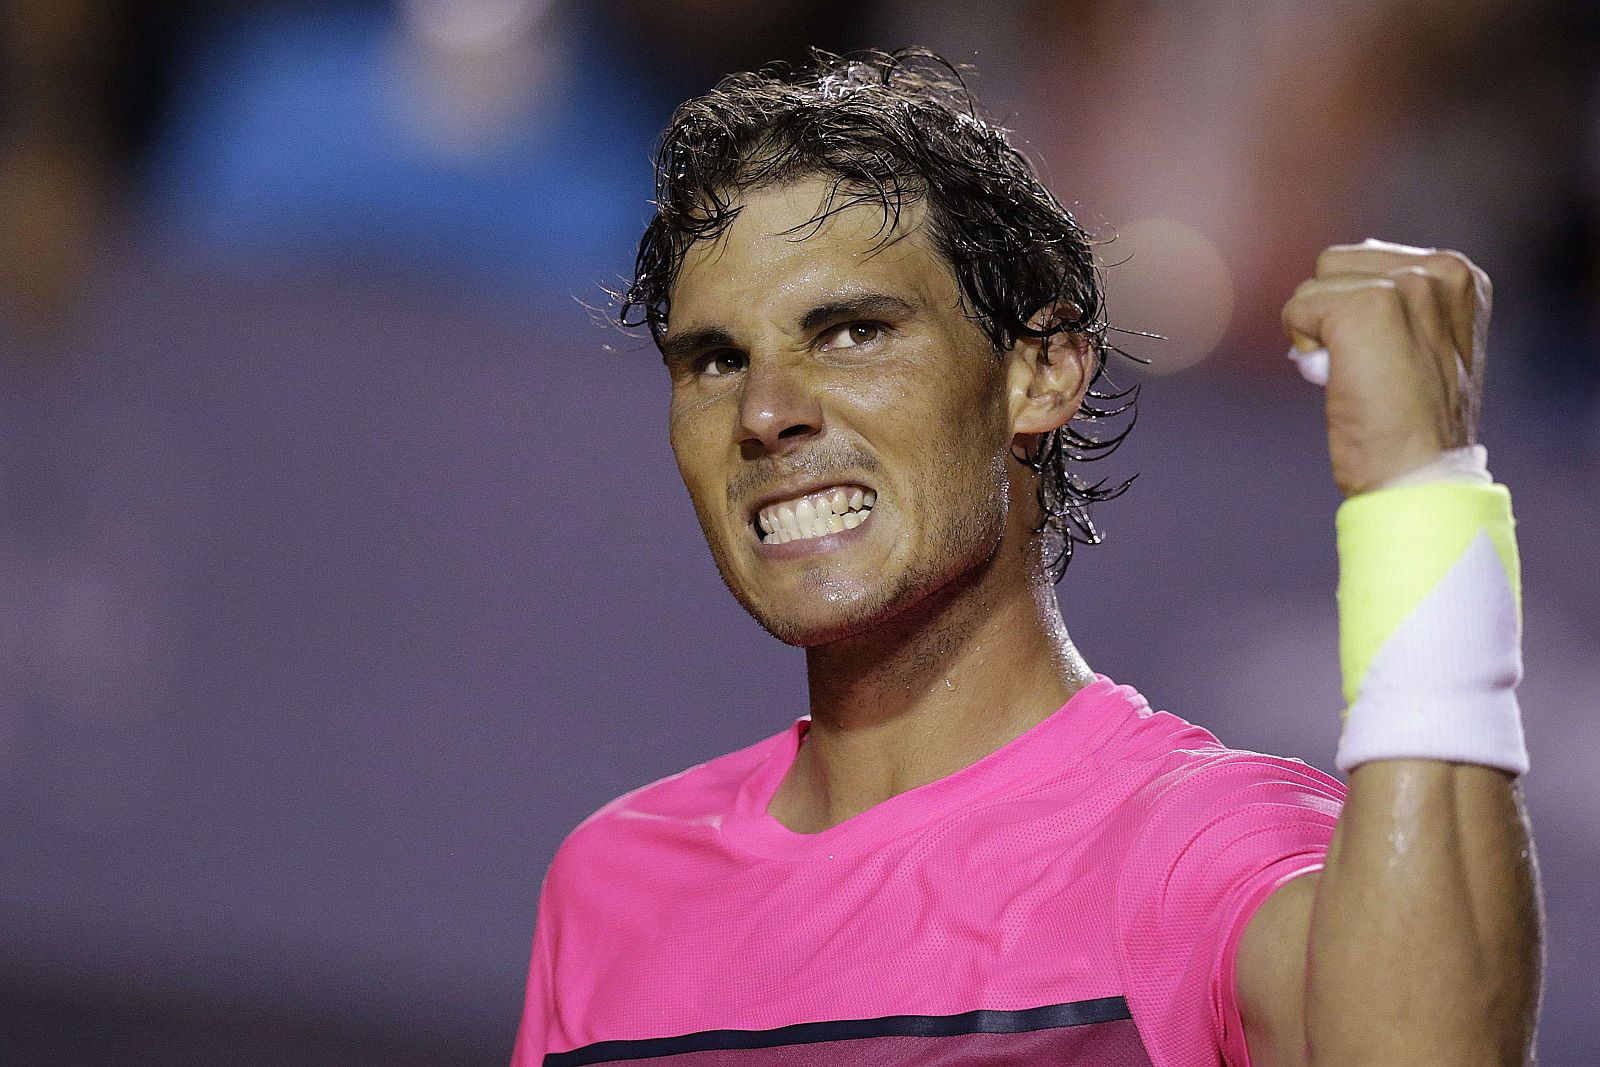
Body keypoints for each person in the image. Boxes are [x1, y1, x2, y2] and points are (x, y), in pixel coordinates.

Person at [512, 49, 1541, 1066]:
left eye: (854, 332)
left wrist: (1419, 484)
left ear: (1041, 372)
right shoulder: (612, 879)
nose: (766, 412)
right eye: (716, 360)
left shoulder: (1195, 850)